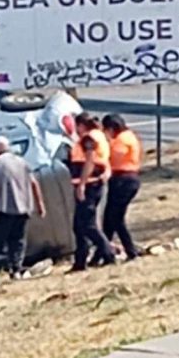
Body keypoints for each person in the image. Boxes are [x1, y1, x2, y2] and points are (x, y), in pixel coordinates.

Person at [0, 136, 46, 279]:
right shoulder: (22, 162)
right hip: (23, 207)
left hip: (5, 208)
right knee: (18, 240)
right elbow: (34, 183)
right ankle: (16, 269)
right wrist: (40, 205)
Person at [68, 112, 116, 272]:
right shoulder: (99, 136)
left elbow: (90, 161)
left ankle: (108, 253)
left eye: (77, 127)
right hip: (93, 184)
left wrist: (81, 184)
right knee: (79, 225)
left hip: (89, 185)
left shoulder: (88, 139)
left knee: (87, 225)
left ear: (81, 125)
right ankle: (80, 261)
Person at [95, 113, 143, 263]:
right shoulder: (128, 136)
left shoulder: (122, 140)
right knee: (109, 220)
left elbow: (111, 156)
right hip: (122, 179)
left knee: (116, 218)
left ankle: (131, 250)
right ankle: (102, 254)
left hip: (124, 180)